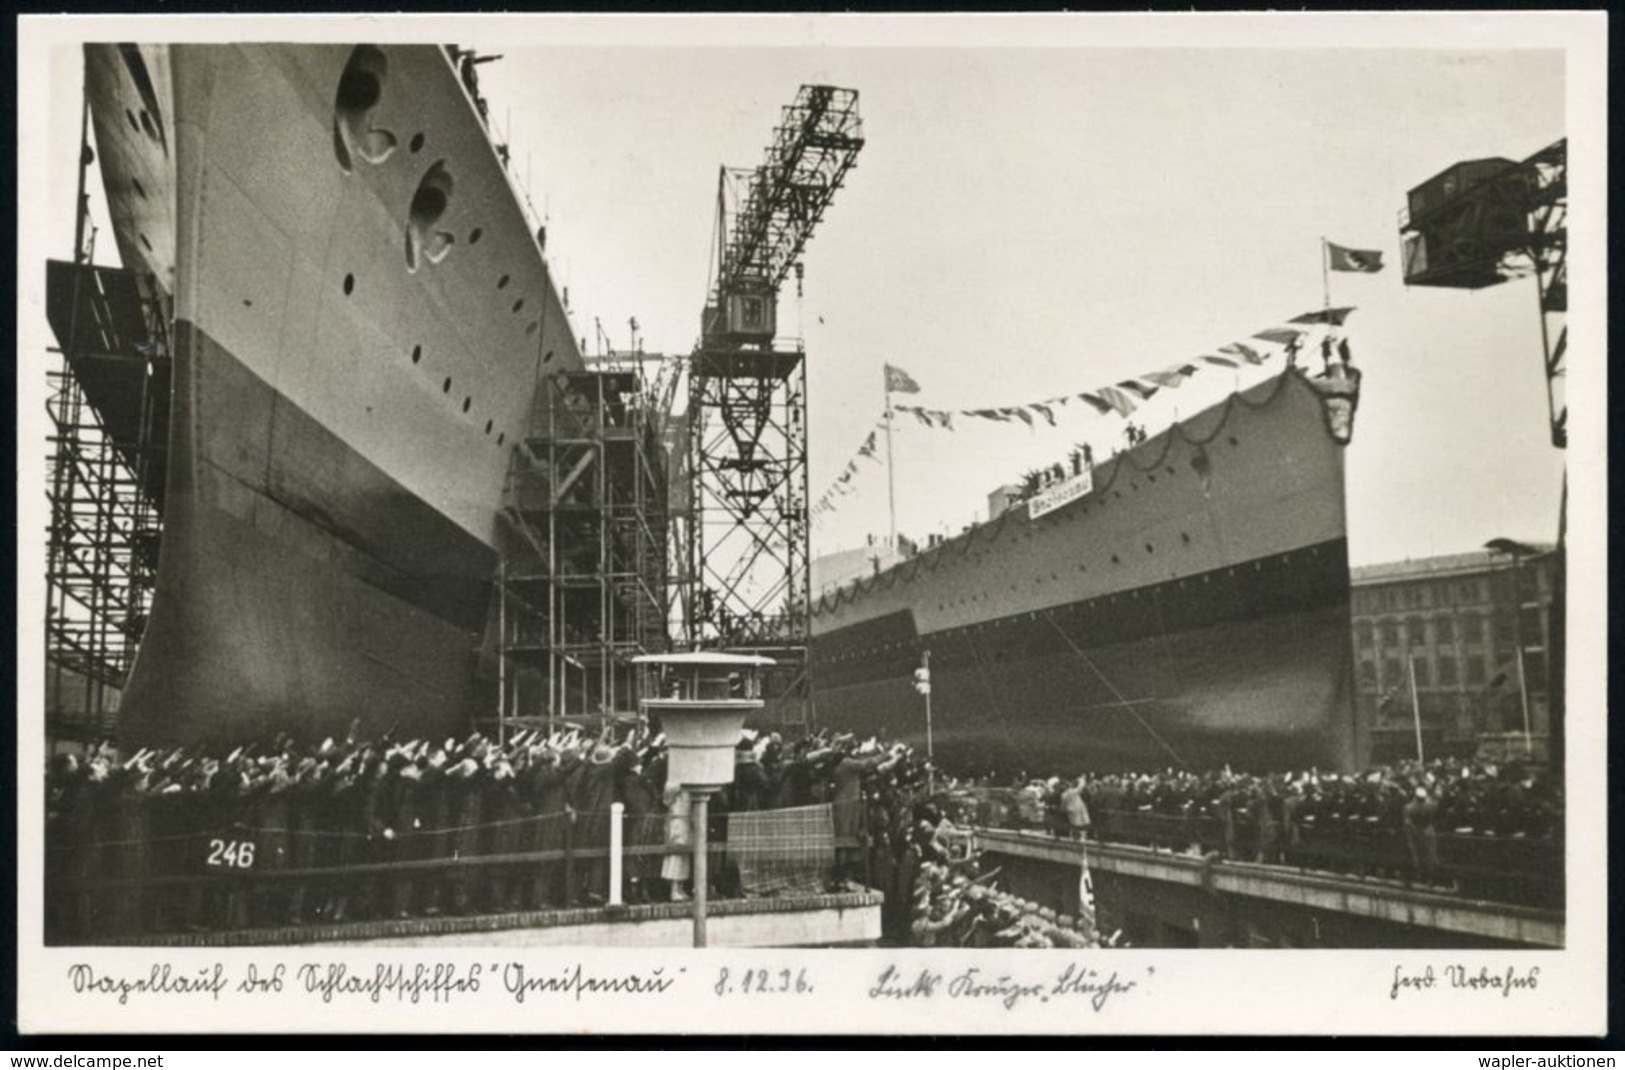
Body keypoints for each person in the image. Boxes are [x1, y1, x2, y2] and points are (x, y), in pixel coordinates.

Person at [661, 784, 692, 901]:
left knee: (684, 854)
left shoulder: (686, 785)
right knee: (676, 854)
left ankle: (680, 887)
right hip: (677, 820)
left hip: (685, 820)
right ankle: (674, 889)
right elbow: (667, 801)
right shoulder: (673, 784)